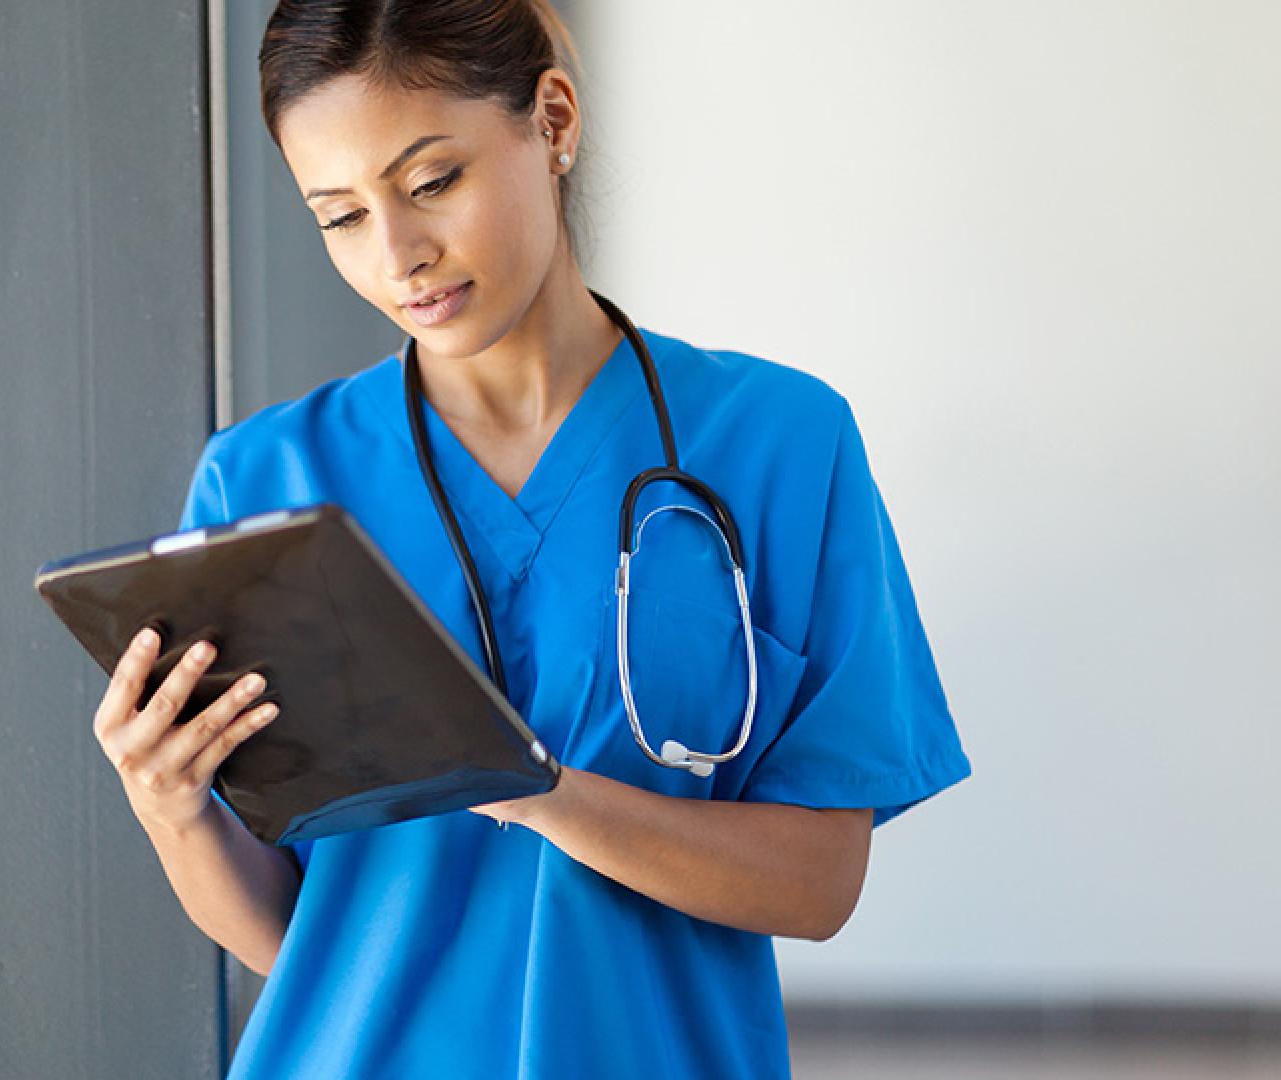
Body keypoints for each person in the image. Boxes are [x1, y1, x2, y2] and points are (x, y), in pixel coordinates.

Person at [89, 1, 973, 1075]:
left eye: (429, 183)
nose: (398, 254)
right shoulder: (265, 481)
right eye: (339, 217)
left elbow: (815, 885)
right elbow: (303, 936)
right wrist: (172, 810)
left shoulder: (779, 445)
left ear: (550, 119)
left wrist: (527, 784)